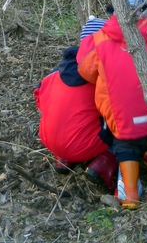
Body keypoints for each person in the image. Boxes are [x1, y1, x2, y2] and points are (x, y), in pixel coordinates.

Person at [77, 0, 147, 209]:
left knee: (125, 144)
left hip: (121, 114)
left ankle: (131, 195)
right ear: (143, 12)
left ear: (112, 13)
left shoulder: (99, 41)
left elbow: (85, 71)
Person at [33, 47, 118, 190]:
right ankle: (102, 165)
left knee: (67, 116)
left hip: (48, 139)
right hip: (81, 145)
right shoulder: (101, 81)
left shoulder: (52, 75)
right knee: (124, 123)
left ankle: (63, 159)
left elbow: (38, 96)